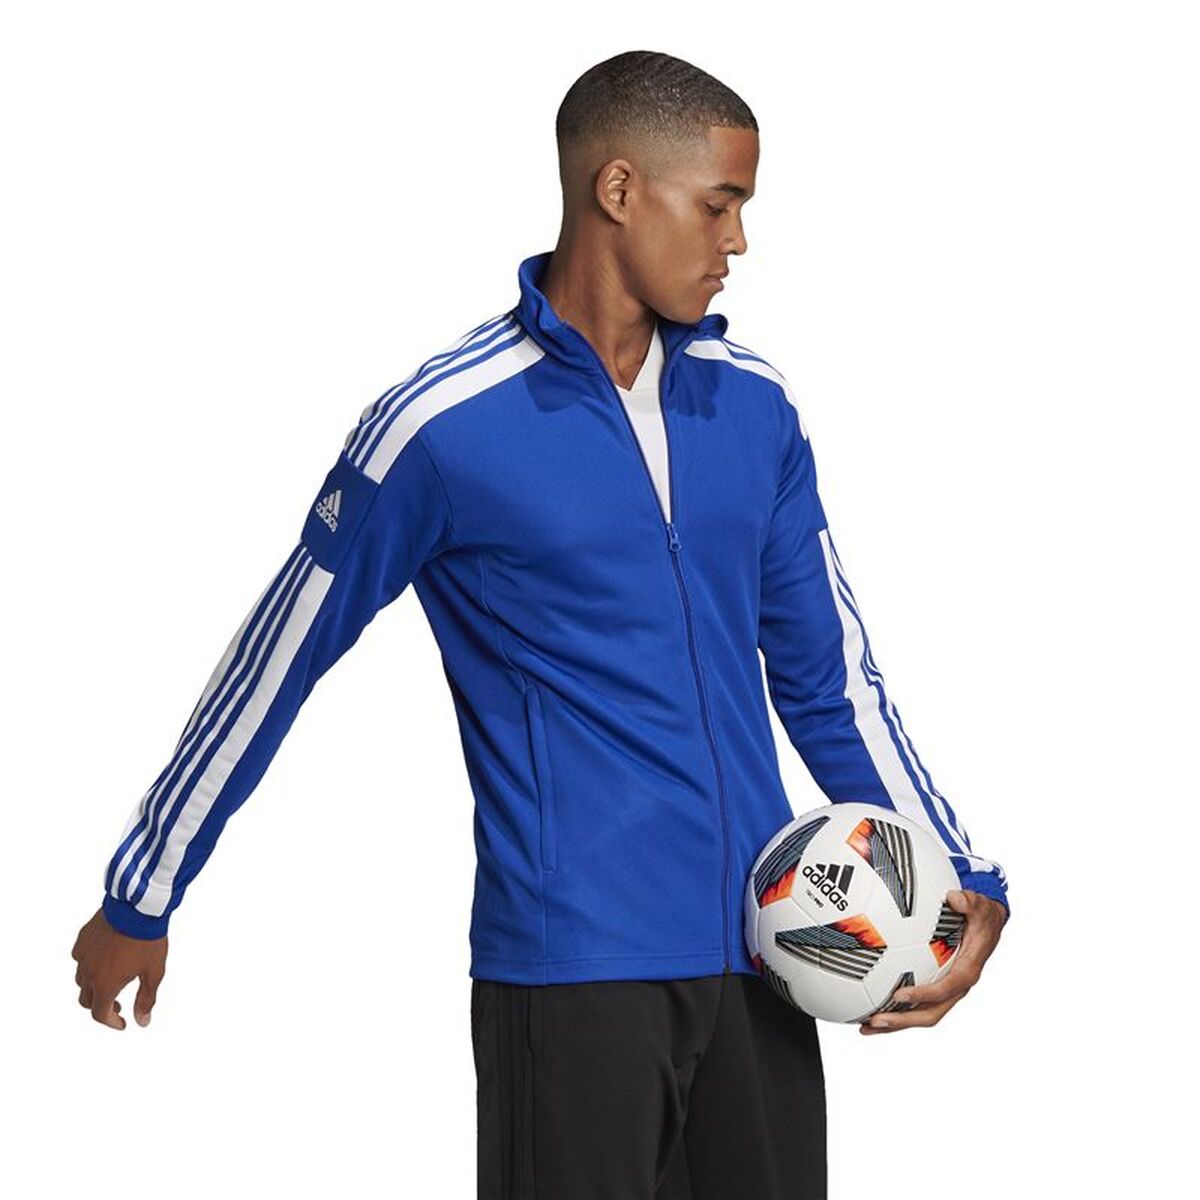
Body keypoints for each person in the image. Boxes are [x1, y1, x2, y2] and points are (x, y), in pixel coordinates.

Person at [71, 49, 1010, 1200]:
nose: (738, 242)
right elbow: (278, 660)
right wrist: (144, 889)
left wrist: (960, 873)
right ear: (618, 190)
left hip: (768, 962)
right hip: (574, 977)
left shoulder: (754, 405)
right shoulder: (442, 424)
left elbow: (831, 680)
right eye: (719, 204)